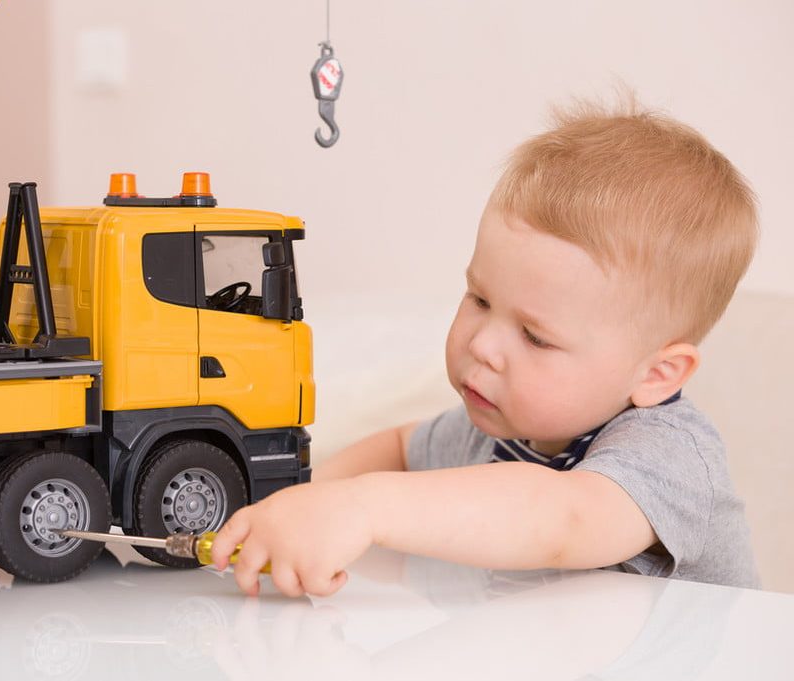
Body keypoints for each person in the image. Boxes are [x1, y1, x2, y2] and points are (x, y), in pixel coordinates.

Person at [211, 99, 760, 597]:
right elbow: (405, 448)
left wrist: (363, 506)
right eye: (478, 298)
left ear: (658, 374)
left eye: (535, 336)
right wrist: (305, 501)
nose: (483, 344)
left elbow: (560, 520)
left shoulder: (670, 455)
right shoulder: (492, 426)